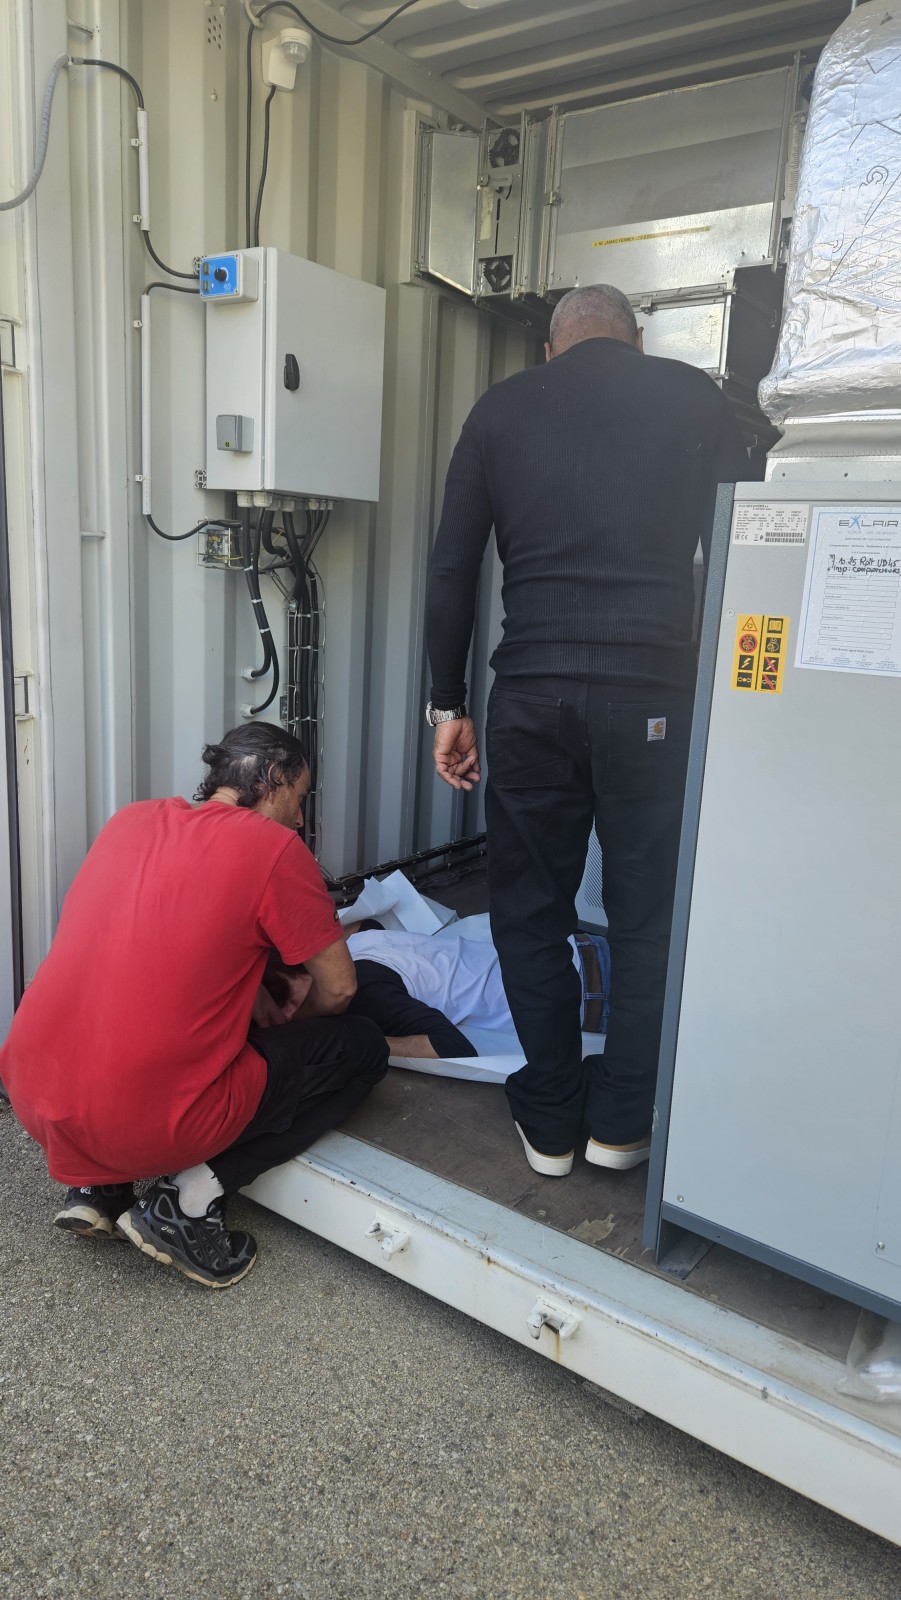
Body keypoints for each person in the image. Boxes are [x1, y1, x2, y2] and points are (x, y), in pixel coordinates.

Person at [424, 283, 750, 1179]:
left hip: (531, 699)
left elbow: (451, 568)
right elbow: (748, 542)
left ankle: (550, 1119)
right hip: (653, 698)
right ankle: (620, 1123)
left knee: (529, 910)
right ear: (634, 342)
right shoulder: (692, 398)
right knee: (645, 915)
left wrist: (447, 706)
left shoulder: (500, 409)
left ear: (550, 349)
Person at [0, 724, 387, 1288]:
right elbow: (340, 990)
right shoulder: (276, 849)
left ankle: (99, 1188)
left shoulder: (132, 820)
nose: (300, 818)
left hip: (35, 1094)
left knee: (127, 1021)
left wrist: (252, 989)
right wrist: (285, 1030)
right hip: (140, 1120)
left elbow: (151, 942)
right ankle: (185, 1203)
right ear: (273, 779)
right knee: (363, 1048)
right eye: (300, 797)